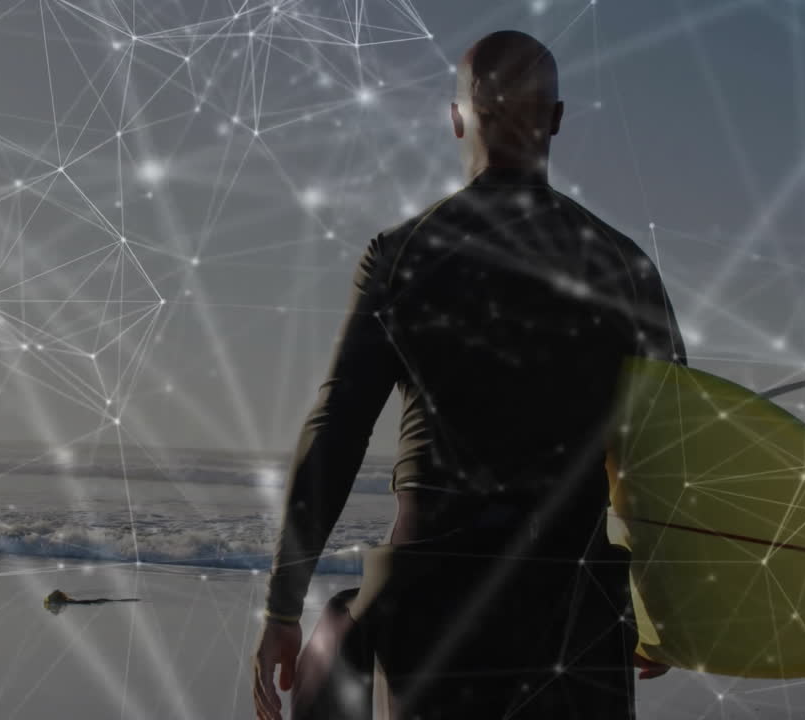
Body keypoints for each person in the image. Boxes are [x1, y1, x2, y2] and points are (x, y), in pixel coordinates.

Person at [254, 29, 685, 720]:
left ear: (457, 118)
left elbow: (338, 427)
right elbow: (672, 451)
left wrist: (283, 605)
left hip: (433, 606)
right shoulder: (623, 266)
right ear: (556, 119)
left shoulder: (402, 254)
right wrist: (666, 607)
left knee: (338, 633)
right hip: (576, 608)